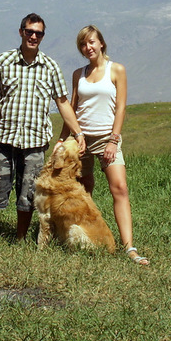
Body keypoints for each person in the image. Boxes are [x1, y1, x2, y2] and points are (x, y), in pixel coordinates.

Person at [0, 13, 86, 247]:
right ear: (21, 32)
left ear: (43, 36)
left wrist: (78, 133)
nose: (33, 36)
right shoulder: (3, 61)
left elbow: (63, 102)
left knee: (28, 194)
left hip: (34, 141)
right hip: (3, 137)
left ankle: (21, 238)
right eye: (29, 31)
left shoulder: (50, 67)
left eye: (38, 33)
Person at [58, 25, 149, 265]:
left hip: (106, 138)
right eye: (83, 44)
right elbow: (73, 108)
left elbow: (120, 107)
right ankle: (82, 240)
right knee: (82, 191)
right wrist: (62, 139)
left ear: (101, 43)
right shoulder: (79, 73)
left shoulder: (116, 70)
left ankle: (129, 247)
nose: (88, 47)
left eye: (91, 42)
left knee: (119, 188)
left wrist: (113, 139)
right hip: (81, 139)